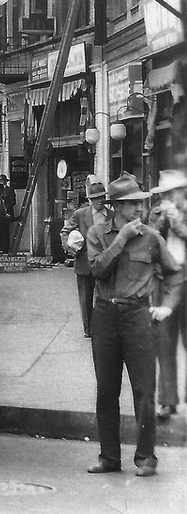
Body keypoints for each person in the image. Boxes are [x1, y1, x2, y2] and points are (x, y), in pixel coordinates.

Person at [85, 174, 182, 477]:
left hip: (138, 317)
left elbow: (176, 275)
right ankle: (109, 457)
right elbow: (98, 270)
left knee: (143, 390)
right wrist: (122, 238)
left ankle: (146, 458)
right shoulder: (97, 233)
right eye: (129, 204)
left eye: (139, 202)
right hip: (105, 315)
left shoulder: (153, 237)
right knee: (106, 390)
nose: (137, 209)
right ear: (114, 206)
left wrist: (166, 306)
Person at [150, 169, 187, 422]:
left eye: (174, 192)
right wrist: (163, 222)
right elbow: (151, 244)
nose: (170, 197)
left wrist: (180, 225)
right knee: (164, 341)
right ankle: (167, 400)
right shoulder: (154, 214)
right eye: (166, 193)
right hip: (166, 282)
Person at [61, 176, 110, 337]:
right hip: (84, 262)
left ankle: (104, 327)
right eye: (95, 198)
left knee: (105, 296)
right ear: (90, 199)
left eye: (102, 197)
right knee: (86, 298)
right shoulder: (81, 214)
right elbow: (65, 231)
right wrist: (70, 247)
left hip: (105, 262)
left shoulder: (111, 215)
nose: (99, 201)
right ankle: (88, 329)